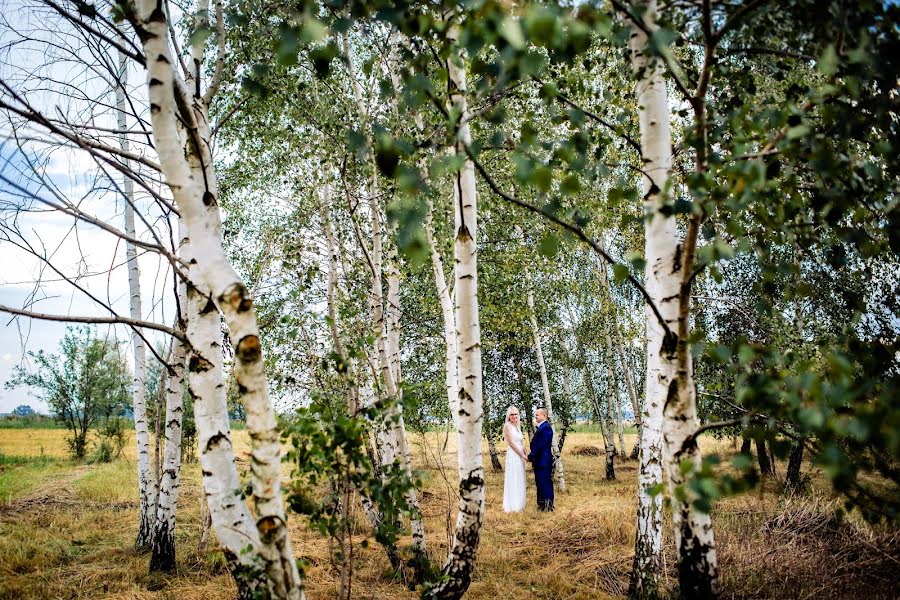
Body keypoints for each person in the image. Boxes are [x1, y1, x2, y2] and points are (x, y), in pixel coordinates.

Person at [528, 407, 554, 512]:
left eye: (537, 415)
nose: (535, 416)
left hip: (543, 461)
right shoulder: (542, 427)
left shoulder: (545, 428)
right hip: (540, 461)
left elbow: (540, 446)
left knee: (545, 483)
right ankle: (542, 505)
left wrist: (530, 456)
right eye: (535, 414)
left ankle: (548, 506)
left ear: (544, 416)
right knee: (540, 483)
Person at [502, 405, 528, 513]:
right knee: (513, 477)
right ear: (508, 416)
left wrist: (527, 455)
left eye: (515, 414)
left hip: (520, 455)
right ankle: (512, 505)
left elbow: (521, 442)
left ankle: (519, 503)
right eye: (511, 414)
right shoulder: (507, 426)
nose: (514, 416)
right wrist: (522, 455)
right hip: (513, 455)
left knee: (519, 477)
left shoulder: (517, 426)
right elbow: (512, 443)